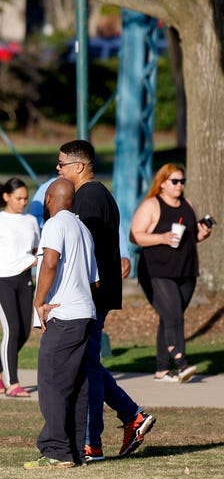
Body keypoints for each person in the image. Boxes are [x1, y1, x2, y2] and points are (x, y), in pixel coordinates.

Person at [58, 139, 155, 460]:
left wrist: (80, 289)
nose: (58, 171)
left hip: (92, 294)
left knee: (86, 367)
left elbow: (88, 251)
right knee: (89, 364)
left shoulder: (88, 198)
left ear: (79, 166)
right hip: (96, 292)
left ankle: (92, 441)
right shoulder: (97, 194)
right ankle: (130, 416)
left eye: (61, 165)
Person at [26, 178, 97, 469]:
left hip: (63, 314)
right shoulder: (83, 229)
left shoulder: (55, 225)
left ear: (50, 199)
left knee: (52, 383)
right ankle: (75, 451)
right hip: (85, 312)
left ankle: (56, 450)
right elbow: (95, 280)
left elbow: (50, 262)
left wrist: (38, 301)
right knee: (77, 384)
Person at [129, 164, 214, 382]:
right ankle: (181, 363)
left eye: (182, 181)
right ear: (163, 183)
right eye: (175, 181)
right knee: (173, 315)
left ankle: (161, 369)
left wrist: (203, 233)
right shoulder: (152, 205)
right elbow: (135, 236)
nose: (179, 185)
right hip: (157, 270)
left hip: (186, 270)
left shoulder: (188, 204)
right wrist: (162, 238)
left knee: (171, 317)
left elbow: (192, 236)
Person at [0, 177, 39, 398]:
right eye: (18, 198)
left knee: (23, 332)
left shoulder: (31, 220)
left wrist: (34, 259)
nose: (23, 202)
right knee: (12, 329)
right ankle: (12, 383)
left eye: (25, 198)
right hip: (1, 280)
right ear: (6, 197)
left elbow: (35, 250)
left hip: (25, 281)